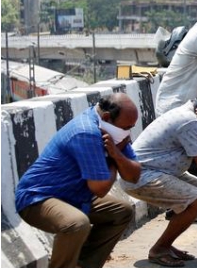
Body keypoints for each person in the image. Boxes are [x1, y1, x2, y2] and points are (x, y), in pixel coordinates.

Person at [15, 93, 142, 268]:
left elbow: (134, 176)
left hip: (75, 193)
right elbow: (99, 189)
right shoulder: (86, 132)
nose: (128, 133)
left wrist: (117, 153)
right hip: (38, 197)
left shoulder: (115, 130)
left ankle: (83, 266)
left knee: (122, 211)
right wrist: (114, 156)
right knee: (76, 224)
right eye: (127, 127)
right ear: (106, 117)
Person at [119, 83, 197, 267]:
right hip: (141, 175)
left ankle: (168, 243)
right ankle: (159, 249)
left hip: (162, 171)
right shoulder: (190, 120)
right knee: (196, 199)